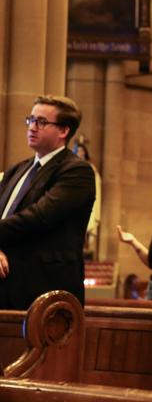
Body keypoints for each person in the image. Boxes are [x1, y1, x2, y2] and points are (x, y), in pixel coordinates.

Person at [0, 95, 96, 309]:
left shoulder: (76, 171)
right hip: (6, 285)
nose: (32, 127)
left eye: (41, 122)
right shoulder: (18, 170)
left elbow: (40, 216)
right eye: (31, 120)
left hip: (43, 288)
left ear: (64, 131)